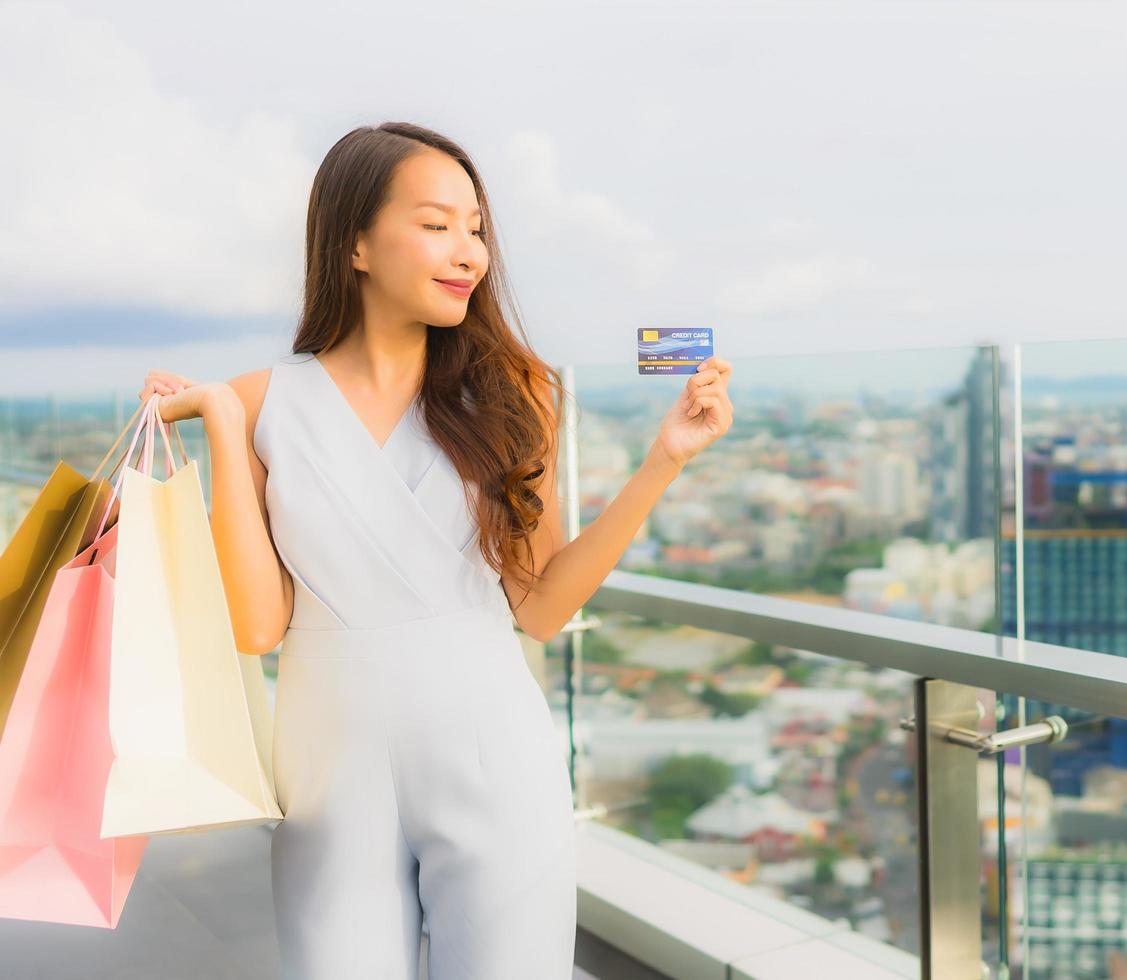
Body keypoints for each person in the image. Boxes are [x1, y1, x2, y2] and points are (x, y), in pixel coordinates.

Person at [137, 121, 733, 979]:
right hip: (327, 779)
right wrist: (226, 430)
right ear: (355, 244)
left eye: (477, 228)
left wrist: (662, 461)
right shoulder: (256, 402)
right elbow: (259, 628)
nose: (469, 253)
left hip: (496, 756)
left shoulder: (515, 391)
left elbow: (544, 606)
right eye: (436, 223)